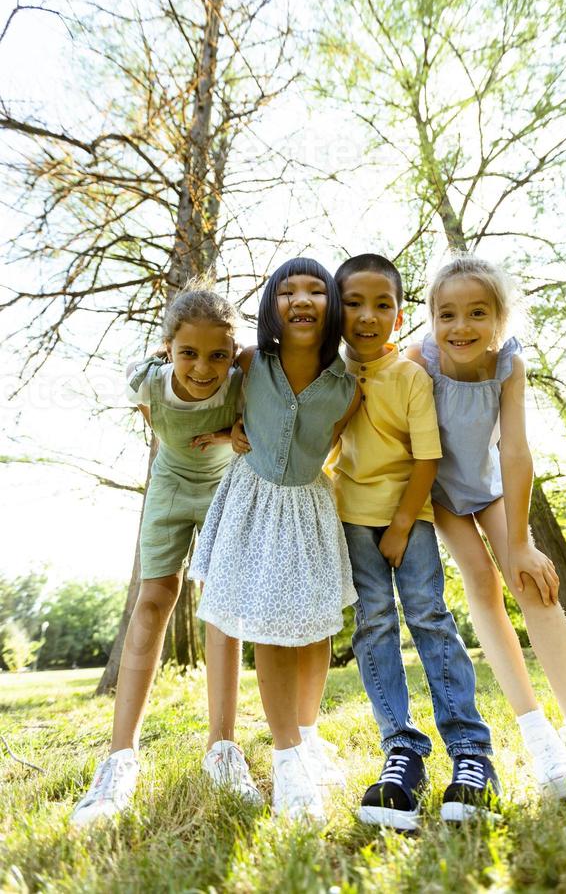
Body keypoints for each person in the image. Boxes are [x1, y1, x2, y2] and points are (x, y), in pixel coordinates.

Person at [407, 255, 566, 803]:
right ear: (431, 318)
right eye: (447, 314)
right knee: (482, 582)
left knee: (533, 584)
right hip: (437, 488)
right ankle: (540, 741)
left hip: (490, 485)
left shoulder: (508, 365)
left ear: (500, 318)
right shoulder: (419, 361)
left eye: (477, 313)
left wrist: (519, 542)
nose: (461, 327)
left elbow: (515, 451)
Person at [72, 279, 260, 828]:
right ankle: (119, 759)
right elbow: (146, 403)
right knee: (155, 597)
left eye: (217, 355)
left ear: (232, 353)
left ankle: (222, 749)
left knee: (221, 603)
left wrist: (236, 430)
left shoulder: (243, 381)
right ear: (168, 349)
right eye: (189, 353)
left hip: (224, 485)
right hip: (169, 486)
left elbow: (259, 409)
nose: (203, 367)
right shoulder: (146, 381)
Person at [327, 253, 500, 831]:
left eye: (382, 304)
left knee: (429, 616)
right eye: (353, 303)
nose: (368, 315)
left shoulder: (409, 375)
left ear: (400, 317)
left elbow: (427, 456)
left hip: (411, 518)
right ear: (335, 310)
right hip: (352, 519)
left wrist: (402, 524)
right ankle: (402, 750)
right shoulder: (329, 376)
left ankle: (472, 753)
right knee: (373, 623)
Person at [189, 258, 360, 821]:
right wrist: (229, 431)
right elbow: (203, 385)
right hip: (252, 499)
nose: (302, 299)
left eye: (317, 290)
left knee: (312, 629)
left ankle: (305, 739)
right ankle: (286, 761)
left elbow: (332, 445)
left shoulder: (345, 386)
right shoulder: (248, 361)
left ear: (332, 306)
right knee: (265, 624)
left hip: (306, 506)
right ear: (271, 307)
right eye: (288, 291)